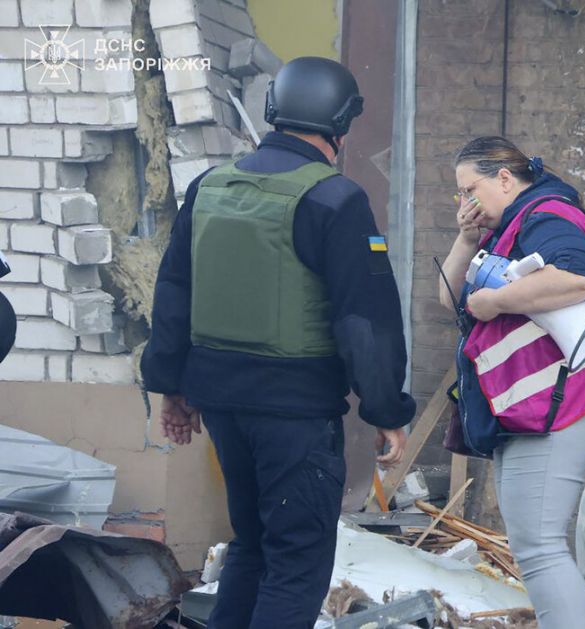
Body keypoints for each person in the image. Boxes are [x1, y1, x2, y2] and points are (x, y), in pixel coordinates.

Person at [141, 57, 416, 629]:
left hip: (220, 405)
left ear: (275, 112)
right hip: (293, 413)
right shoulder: (336, 199)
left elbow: (173, 292)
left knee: (254, 544)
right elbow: (365, 318)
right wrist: (387, 408)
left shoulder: (209, 187)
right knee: (296, 562)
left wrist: (171, 387)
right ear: (340, 125)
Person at [438, 136, 585, 629]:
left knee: (539, 548)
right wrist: (464, 239)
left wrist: (497, 302)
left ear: (503, 178)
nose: (465, 203)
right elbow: (449, 297)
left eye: (469, 190)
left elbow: (577, 279)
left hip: (557, 402)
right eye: (458, 196)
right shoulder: (509, 226)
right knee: (535, 544)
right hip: (529, 403)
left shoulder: (548, 214)